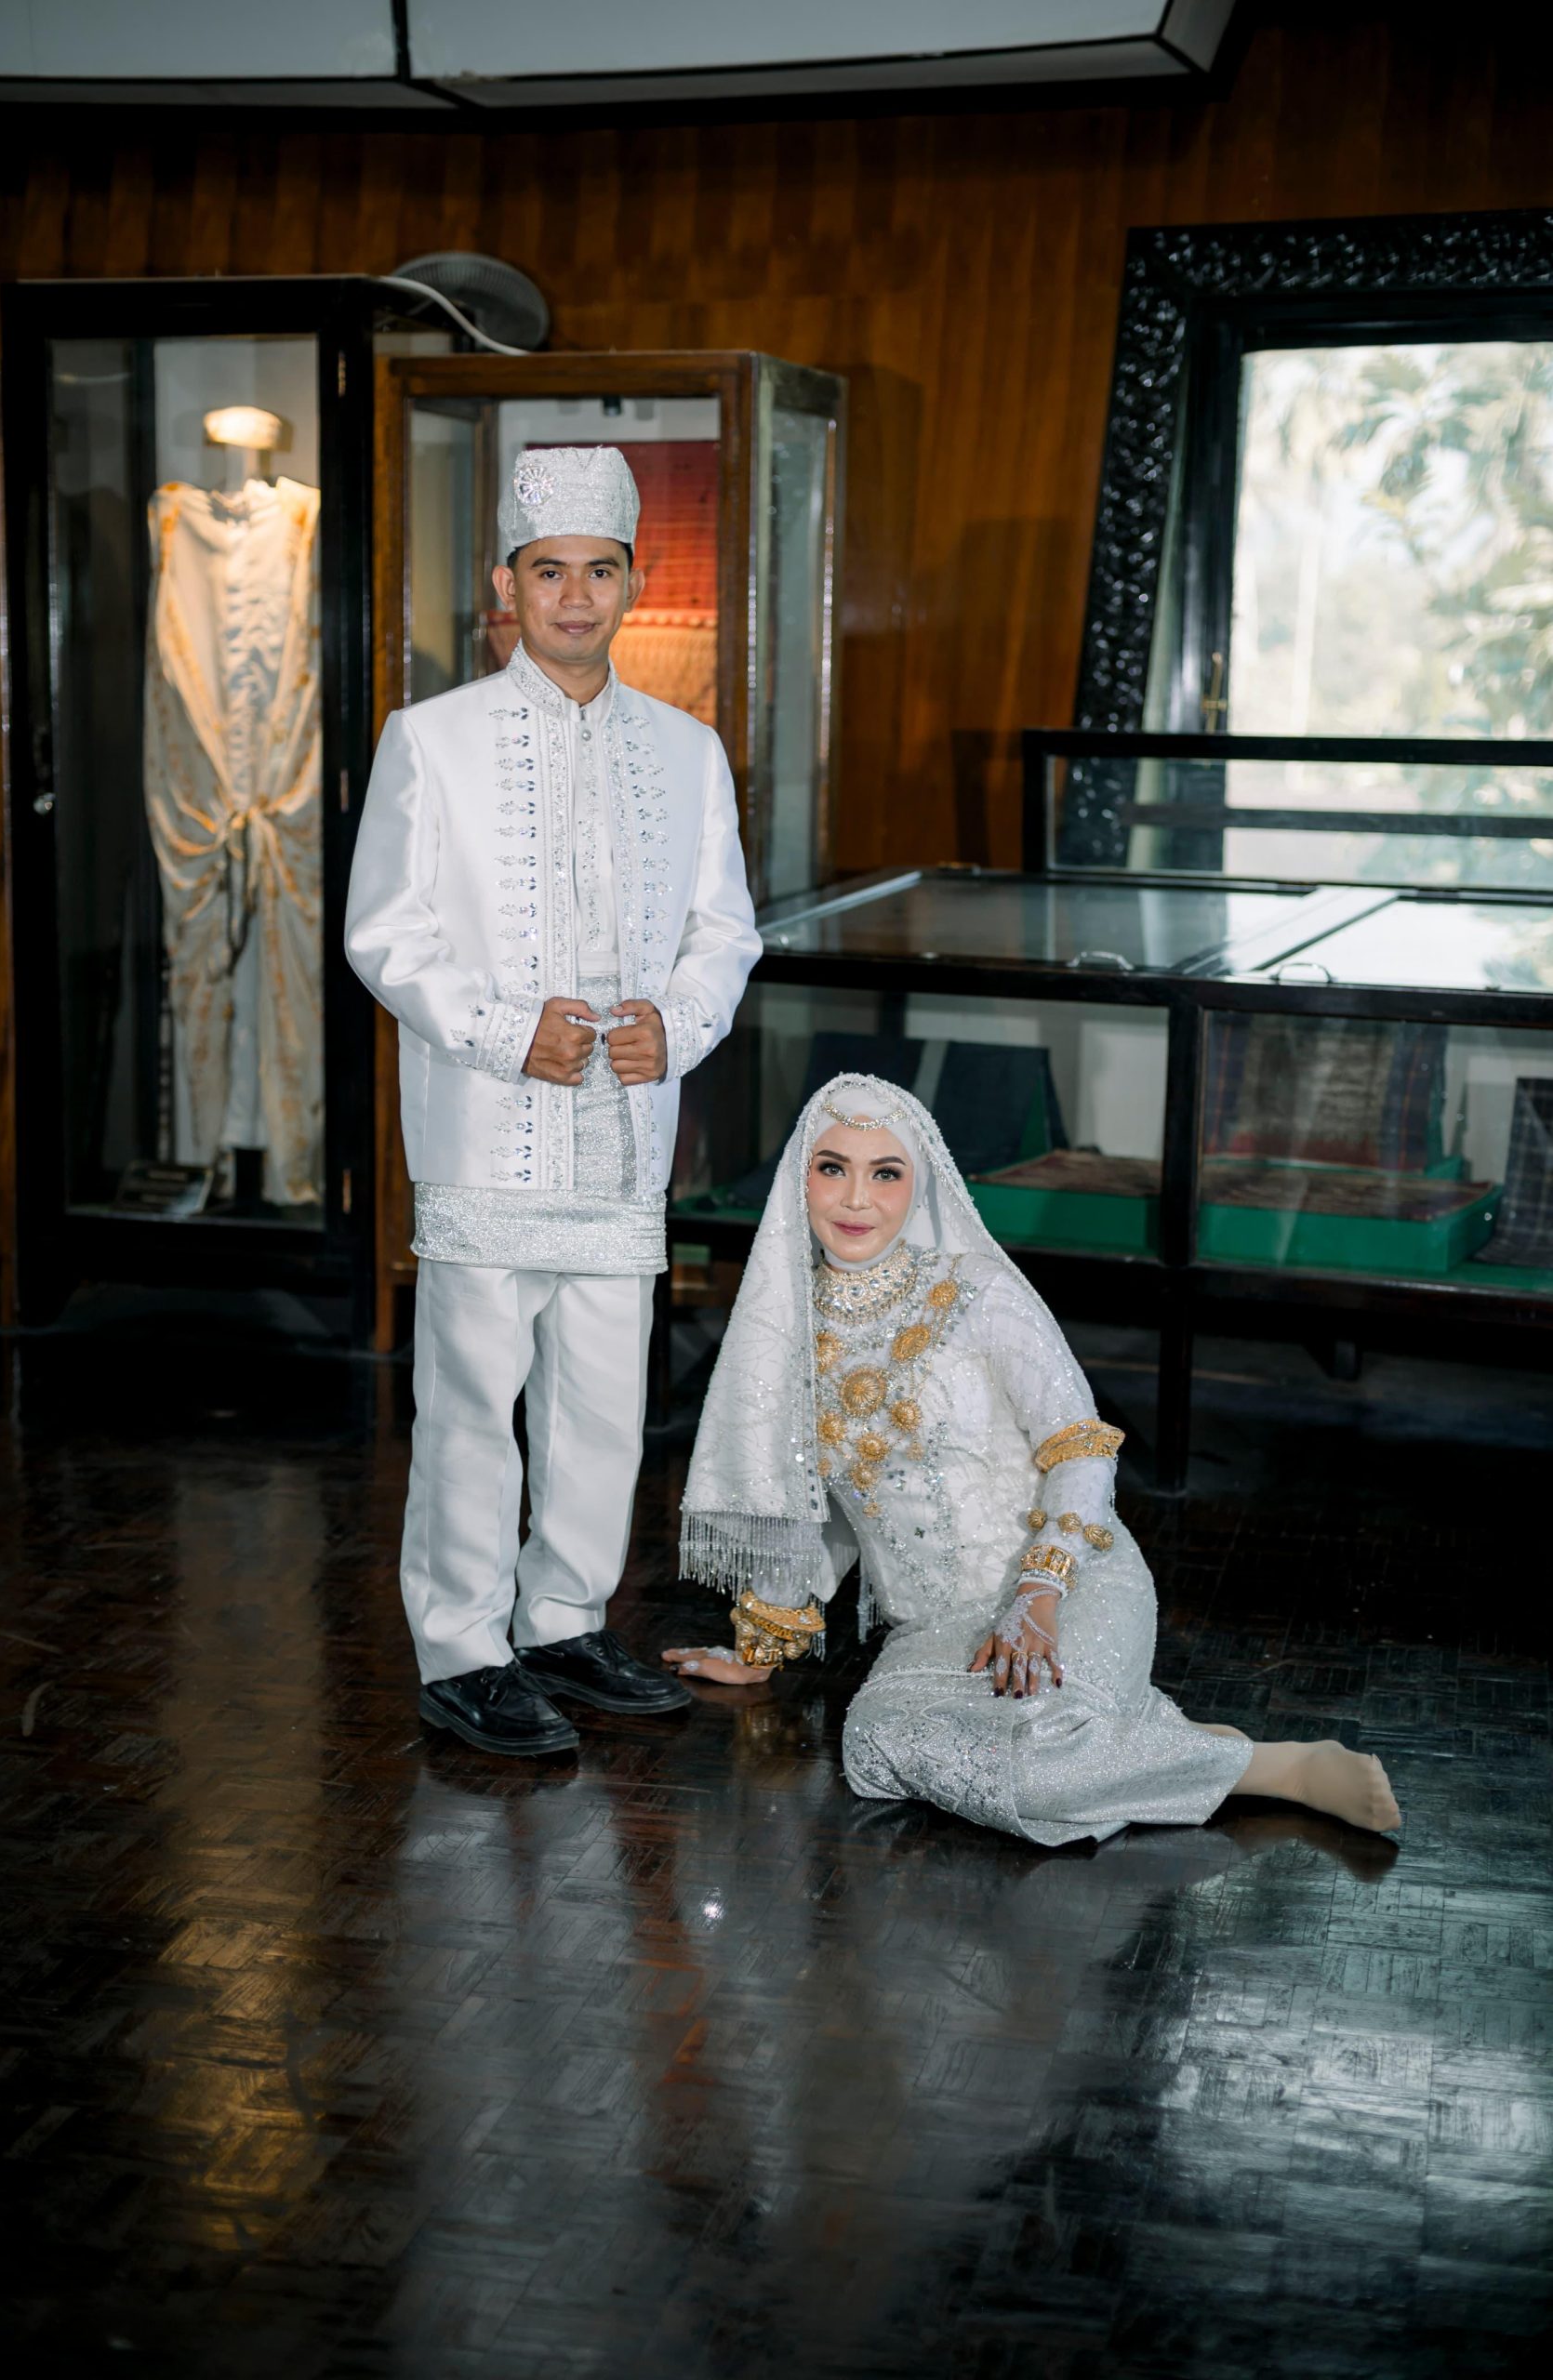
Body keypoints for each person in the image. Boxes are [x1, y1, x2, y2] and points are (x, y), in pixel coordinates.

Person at [667, 1073, 1400, 1845]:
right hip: (936, 1629)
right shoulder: (782, 1338)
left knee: (1036, 1764)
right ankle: (1155, 1746)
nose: (856, 1199)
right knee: (875, 1747)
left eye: (884, 1173)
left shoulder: (975, 1291)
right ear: (798, 1179)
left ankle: (1281, 1768)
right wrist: (762, 1647)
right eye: (831, 1168)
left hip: (1069, 1583)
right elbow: (809, 1508)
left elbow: (1081, 1448)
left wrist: (1037, 1593)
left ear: (919, 1185)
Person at [347, 445, 761, 1757]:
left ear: (633, 582)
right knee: (472, 1403)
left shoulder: (687, 750)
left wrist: (674, 1027)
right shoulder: (431, 739)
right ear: (504, 586)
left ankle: (566, 1621)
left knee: (600, 1401)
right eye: (547, 572)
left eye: (598, 571)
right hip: (486, 1124)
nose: (574, 596)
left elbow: (723, 932)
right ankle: (463, 1650)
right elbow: (384, 933)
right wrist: (498, 1028)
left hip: (622, 1135)